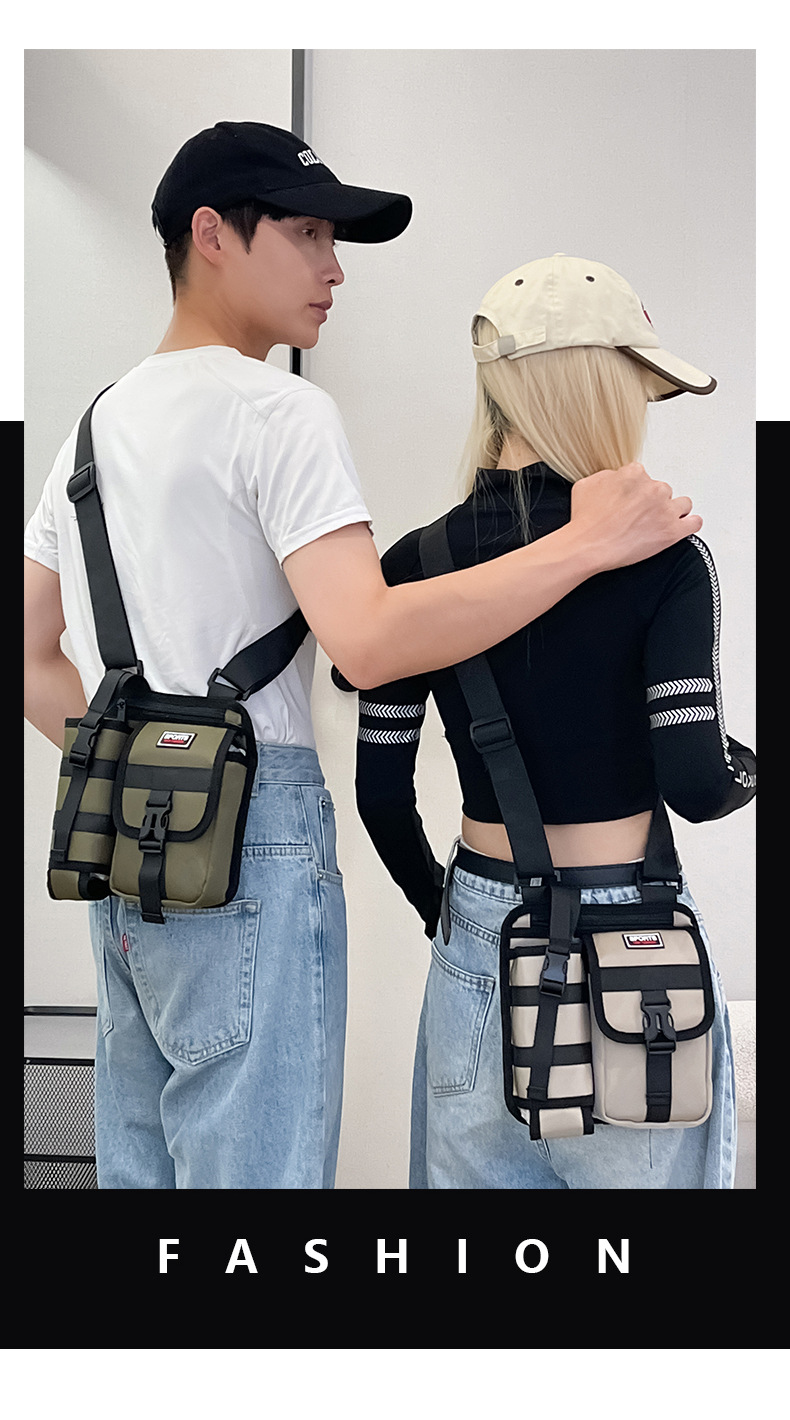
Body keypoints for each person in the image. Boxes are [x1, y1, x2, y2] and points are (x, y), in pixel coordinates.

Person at [23, 123, 703, 1191]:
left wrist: (150, 768)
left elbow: (29, 651)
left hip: (122, 851)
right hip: (250, 846)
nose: (334, 268)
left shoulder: (93, 429)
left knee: (141, 1181)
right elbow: (370, 641)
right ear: (213, 234)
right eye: (306, 234)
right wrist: (584, 544)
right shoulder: (280, 411)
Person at [352, 252, 756, 1190]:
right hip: (633, 939)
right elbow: (697, 784)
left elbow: (381, 796)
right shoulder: (665, 559)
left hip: (479, 926)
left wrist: (449, 915)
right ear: (598, 389)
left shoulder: (412, 565)